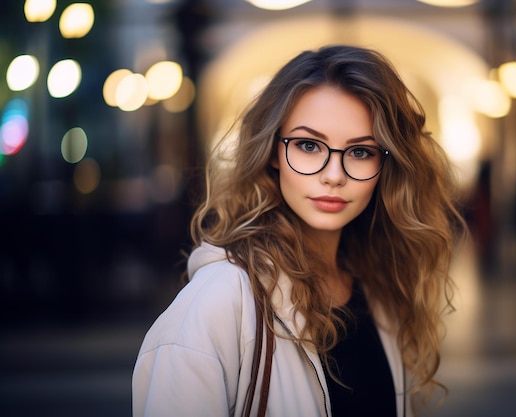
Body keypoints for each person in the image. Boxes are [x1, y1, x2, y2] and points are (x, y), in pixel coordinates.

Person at [132, 44, 466, 417]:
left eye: (360, 152)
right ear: (274, 151)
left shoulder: (379, 290)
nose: (334, 176)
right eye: (309, 145)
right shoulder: (215, 306)